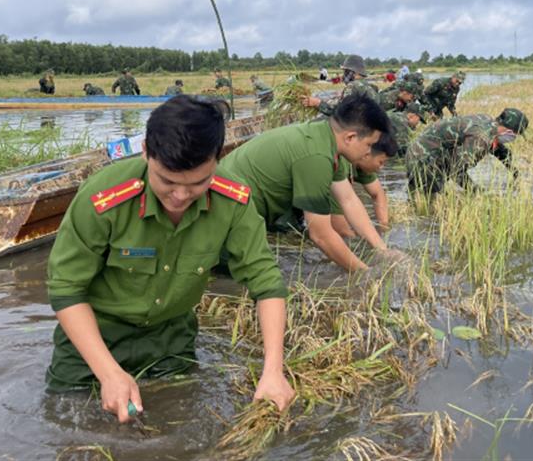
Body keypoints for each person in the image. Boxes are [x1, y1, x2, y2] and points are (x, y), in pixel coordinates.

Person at [45, 96, 293, 420]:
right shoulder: (103, 199)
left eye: (197, 184)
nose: (179, 196)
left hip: (171, 342)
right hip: (91, 342)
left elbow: (267, 283)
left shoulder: (233, 201)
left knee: (176, 424)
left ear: (218, 159)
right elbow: (66, 289)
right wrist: (108, 373)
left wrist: (273, 370)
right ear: (147, 151)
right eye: (166, 181)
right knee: (70, 422)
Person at [219, 94, 397, 272]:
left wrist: (382, 250)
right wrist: (366, 274)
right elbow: (321, 235)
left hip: (238, 208)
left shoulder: (324, 138)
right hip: (225, 214)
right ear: (350, 137)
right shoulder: (316, 156)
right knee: (240, 276)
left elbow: (348, 199)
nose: (368, 152)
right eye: (368, 144)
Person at [406, 108, 528, 195]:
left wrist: (514, 171)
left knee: (425, 192)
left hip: (430, 150)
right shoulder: (481, 137)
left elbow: (499, 150)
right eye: (514, 134)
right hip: (422, 156)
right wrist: (477, 192)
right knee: (429, 197)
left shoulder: (488, 122)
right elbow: (457, 169)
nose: (513, 138)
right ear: (507, 129)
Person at [331, 131, 397, 233]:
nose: (380, 168)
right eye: (381, 162)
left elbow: (378, 193)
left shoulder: (361, 163)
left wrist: (383, 229)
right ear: (366, 154)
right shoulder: (337, 163)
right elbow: (340, 227)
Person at [301, 54, 379, 116]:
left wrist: (317, 102)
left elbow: (339, 110)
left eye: (346, 71)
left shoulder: (353, 86)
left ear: (354, 72)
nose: (344, 75)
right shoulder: (368, 86)